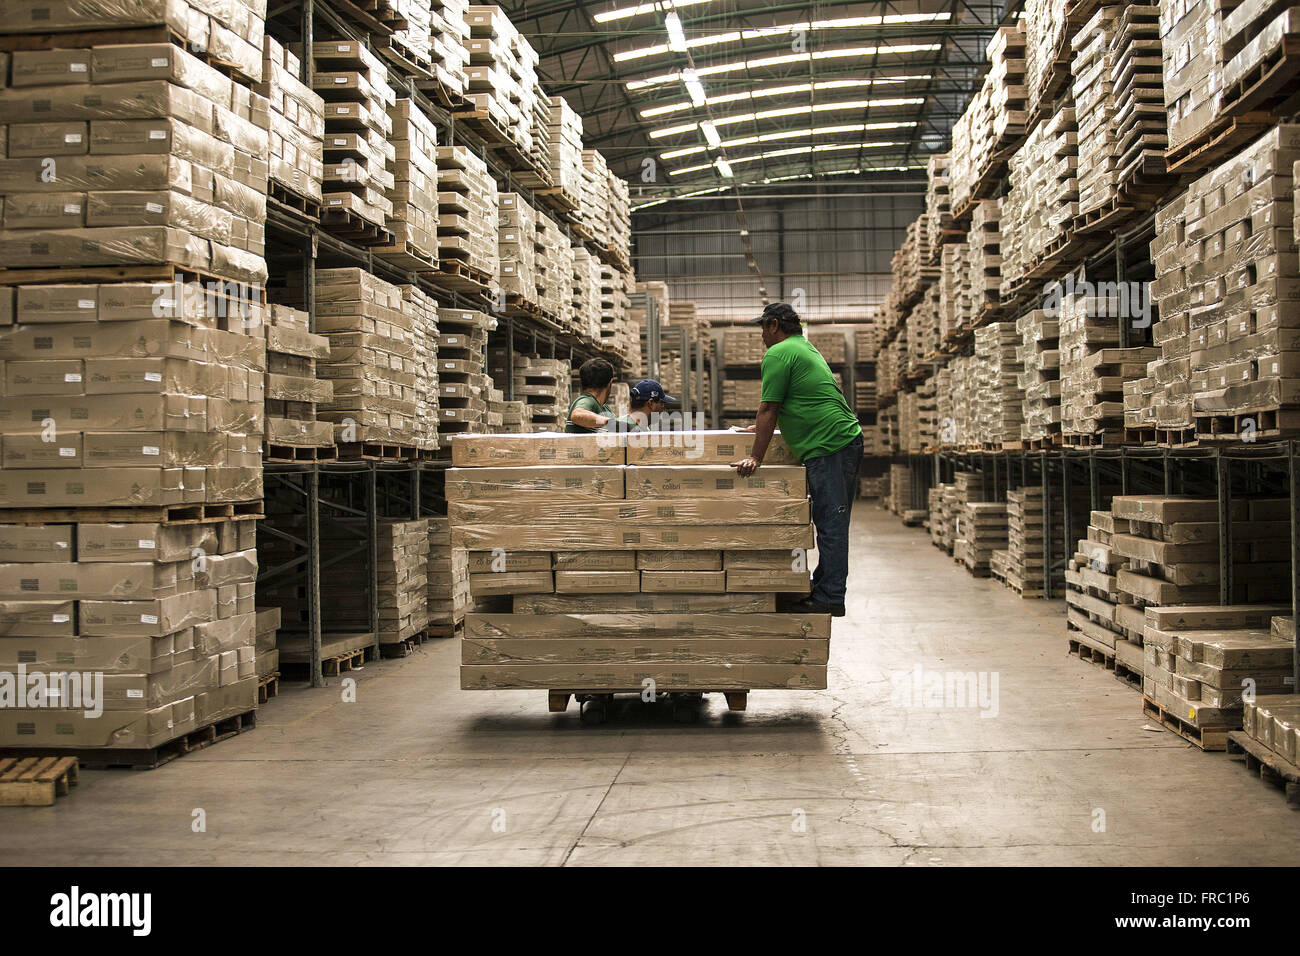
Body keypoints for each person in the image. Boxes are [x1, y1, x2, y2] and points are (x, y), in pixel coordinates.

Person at [731, 302, 863, 617]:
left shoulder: (778, 353)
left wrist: (755, 457)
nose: (761, 335)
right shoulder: (802, 347)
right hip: (841, 441)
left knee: (831, 523)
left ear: (774, 325)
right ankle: (824, 588)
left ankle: (830, 597)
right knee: (832, 521)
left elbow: (769, 408)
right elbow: (799, 400)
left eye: (763, 327)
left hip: (830, 445)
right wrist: (759, 429)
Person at [566, 358, 643, 433]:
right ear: (610, 382)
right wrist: (609, 422)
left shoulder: (605, 408)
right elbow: (577, 415)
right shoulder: (587, 401)